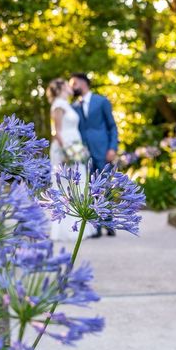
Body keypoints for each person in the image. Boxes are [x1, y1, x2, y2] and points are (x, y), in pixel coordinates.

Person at [69, 72, 119, 237]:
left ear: (83, 83)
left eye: (74, 83)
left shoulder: (101, 101)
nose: (72, 87)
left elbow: (112, 126)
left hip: (103, 150)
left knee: (106, 187)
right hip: (84, 153)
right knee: (90, 189)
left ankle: (108, 223)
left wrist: (112, 148)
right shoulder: (74, 106)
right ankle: (95, 226)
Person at [47, 78, 91, 242]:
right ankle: (64, 230)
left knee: (77, 185)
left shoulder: (66, 104)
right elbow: (56, 132)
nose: (71, 86)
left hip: (74, 148)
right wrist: (67, 151)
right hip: (64, 150)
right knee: (65, 186)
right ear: (60, 88)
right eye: (67, 84)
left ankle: (78, 228)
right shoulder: (58, 104)